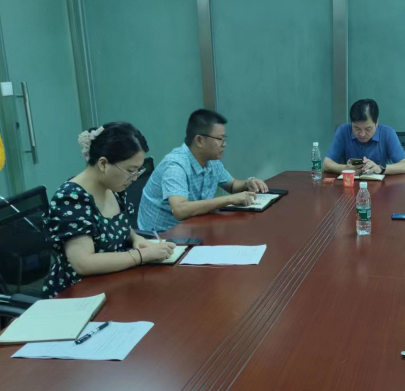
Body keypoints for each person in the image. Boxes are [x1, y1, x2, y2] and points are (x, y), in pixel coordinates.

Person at [43, 122, 176, 298]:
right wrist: (141, 256)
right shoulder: (71, 198)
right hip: (80, 295)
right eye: (130, 170)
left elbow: (120, 227)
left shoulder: (113, 187)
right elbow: (83, 262)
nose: (134, 178)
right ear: (103, 164)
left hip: (116, 281)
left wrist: (136, 239)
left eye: (138, 171)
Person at [138, 109, 268, 232]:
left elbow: (232, 185)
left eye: (225, 139)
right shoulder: (176, 165)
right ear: (199, 140)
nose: (224, 144)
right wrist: (228, 199)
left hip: (194, 228)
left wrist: (248, 183)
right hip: (162, 237)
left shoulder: (212, 161)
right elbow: (179, 210)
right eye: (220, 139)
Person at [322, 99, 405, 176]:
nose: (362, 134)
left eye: (368, 129)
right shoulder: (343, 131)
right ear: (351, 123)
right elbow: (326, 164)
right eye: (357, 128)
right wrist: (346, 168)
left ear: (376, 123)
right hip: (351, 186)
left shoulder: (387, 133)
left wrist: (380, 168)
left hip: (381, 188)